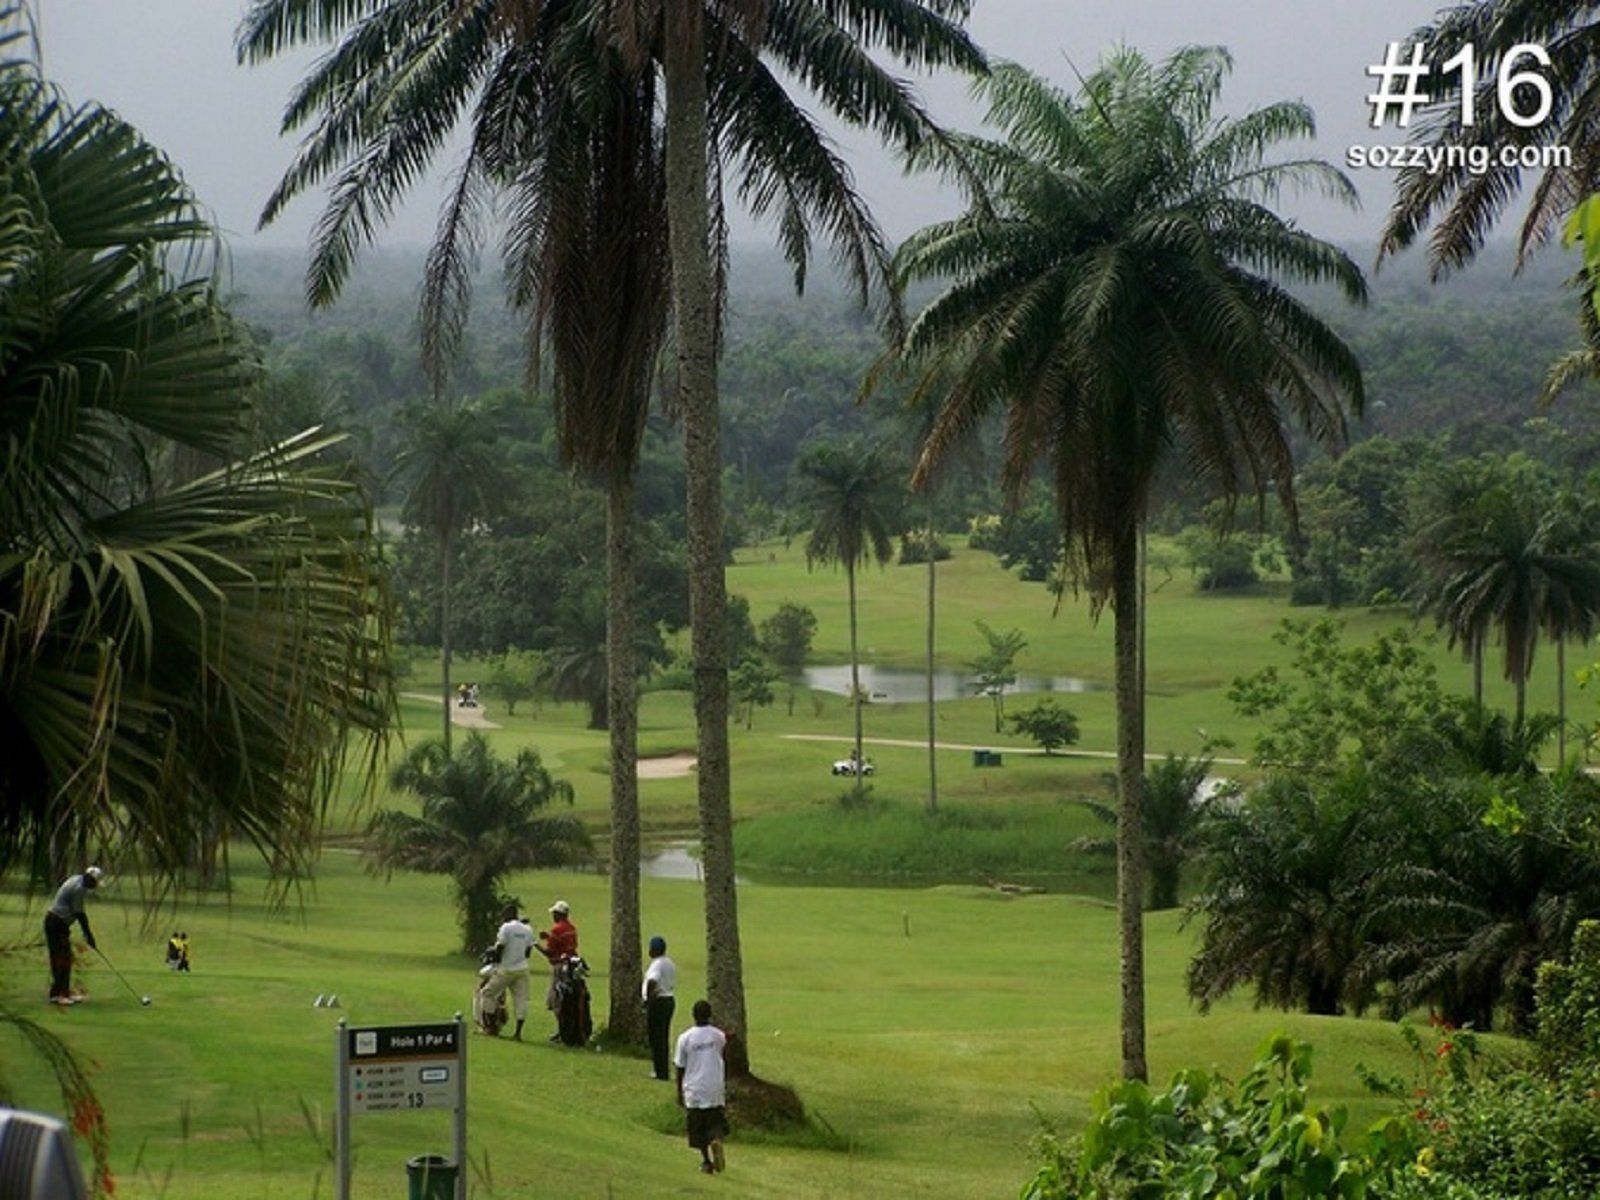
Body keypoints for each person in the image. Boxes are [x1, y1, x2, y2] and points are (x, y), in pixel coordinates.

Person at [675, 999, 729, 1175]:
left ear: (693, 1016)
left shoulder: (685, 1038)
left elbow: (680, 1067)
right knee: (715, 1120)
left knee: (698, 1128)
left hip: (694, 1088)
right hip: (714, 1086)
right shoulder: (718, 1036)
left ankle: (706, 1162)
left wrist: (679, 1092)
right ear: (710, 1014)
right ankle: (717, 1139)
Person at [44, 867, 102, 1005]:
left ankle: (63, 992)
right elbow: (80, 914)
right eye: (95, 882)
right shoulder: (79, 888)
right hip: (55, 924)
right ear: (89, 878)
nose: (95, 886)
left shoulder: (77, 880)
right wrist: (89, 936)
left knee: (65, 958)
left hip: (58, 924)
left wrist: (88, 936)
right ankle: (57, 995)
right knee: (61, 958)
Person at [479, 903, 535, 1040]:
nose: (503, 918)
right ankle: (518, 1033)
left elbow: (500, 947)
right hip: (522, 969)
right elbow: (528, 952)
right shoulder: (527, 929)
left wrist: (495, 960)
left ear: (509, 914)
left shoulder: (506, 928)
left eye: (504, 915)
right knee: (521, 1000)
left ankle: (491, 1026)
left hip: (506, 969)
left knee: (487, 993)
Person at [535, 899, 577, 1042]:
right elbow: (565, 944)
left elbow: (549, 952)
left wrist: (535, 944)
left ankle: (562, 1030)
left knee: (557, 1000)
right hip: (571, 965)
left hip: (559, 967)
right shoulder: (571, 928)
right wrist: (548, 937)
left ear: (559, 914)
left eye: (554, 913)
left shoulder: (557, 930)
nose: (552, 916)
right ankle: (566, 1029)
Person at [642, 935, 677, 1081]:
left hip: (658, 1002)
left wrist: (648, 1000)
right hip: (669, 999)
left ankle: (660, 1071)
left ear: (655, 949)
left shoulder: (657, 964)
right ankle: (662, 1069)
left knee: (656, 1037)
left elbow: (652, 982)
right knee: (663, 1036)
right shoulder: (669, 963)